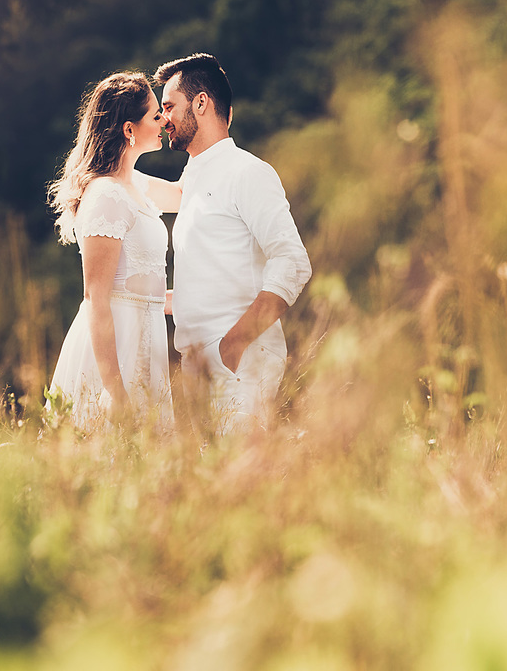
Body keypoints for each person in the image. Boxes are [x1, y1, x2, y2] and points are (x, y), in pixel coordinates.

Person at [155, 53, 311, 435]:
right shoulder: (193, 176)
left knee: (241, 483)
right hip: (195, 367)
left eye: (169, 106)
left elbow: (292, 261)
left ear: (202, 103)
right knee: (209, 489)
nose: (163, 120)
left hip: (239, 363)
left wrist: (234, 343)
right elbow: (214, 275)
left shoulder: (248, 172)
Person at [46, 71, 182, 432]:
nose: (164, 120)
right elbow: (96, 298)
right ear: (128, 129)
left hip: (147, 335)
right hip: (115, 348)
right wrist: (114, 389)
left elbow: (186, 196)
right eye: (156, 115)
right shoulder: (106, 195)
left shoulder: (135, 183)